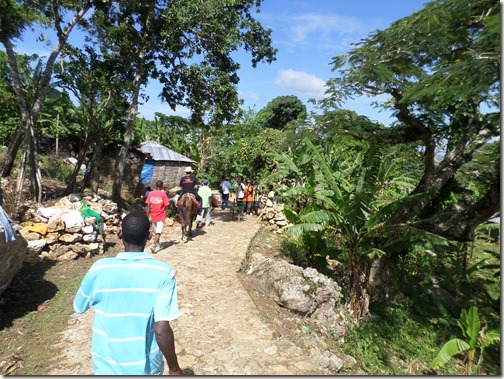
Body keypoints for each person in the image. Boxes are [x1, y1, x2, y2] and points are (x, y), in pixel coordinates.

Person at [73, 211, 184, 376]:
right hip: (148, 368)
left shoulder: (100, 268)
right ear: (148, 236)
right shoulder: (163, 272)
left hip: (106, 368)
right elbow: (161, 329)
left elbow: (78, 307)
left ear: (120, 234)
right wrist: (174, 368)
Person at [145, 180, 170, 254]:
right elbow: (167, 205)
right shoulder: (163, 194)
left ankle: (158, 245)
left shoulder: (150, 194)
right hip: (161, 215)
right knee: (158, 232)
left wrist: (147, 216)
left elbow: (148, 206)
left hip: (153, 215)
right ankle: (153, 245)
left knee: (156, 231)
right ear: (162, 186)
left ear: (156, 186)